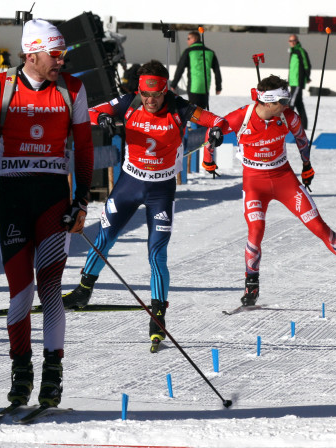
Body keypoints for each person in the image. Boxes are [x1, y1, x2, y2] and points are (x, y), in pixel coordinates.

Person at [62, 60, 229, 352]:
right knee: (104, 237)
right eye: (146, 95)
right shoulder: (129, 101)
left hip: (160, 190)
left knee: (156, 253)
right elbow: (89, 112)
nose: (151, 101)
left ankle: (158, 314)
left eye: (157, 95)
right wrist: (101, 117)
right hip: (129, 184)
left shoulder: (180, 107)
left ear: (166, 89)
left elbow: (218, 121)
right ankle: (83, 290)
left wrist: (217, 132)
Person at [0, 19, 94, 409]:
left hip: (54, 198)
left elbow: (86, 147)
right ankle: (21, 373)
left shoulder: (72, 88)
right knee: (20, 292)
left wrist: (82, 200)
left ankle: (53, 375)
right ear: (32, 53)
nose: (61, 61)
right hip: (13, 197)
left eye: (63, 54)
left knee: (51, 287)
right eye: (55, 55)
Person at [203, 75, 336, 307]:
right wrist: (209, 160)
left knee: (318, 225)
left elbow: (301, 139)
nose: (287, 106)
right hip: (254, 184)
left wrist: (307, 166)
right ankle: (252, 286)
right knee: (256, 230)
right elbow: (212, 133)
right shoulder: (242, 117)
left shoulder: (288, 117)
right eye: (282, 101)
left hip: (284, 180)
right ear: (267, 102)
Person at [169, 31, 221, 110]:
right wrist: (218, 87)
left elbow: (180, 69)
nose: (187, 41)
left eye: (188, 38)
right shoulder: (210, 52)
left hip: (193, 86)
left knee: (193, 111)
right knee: (203, 111)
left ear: (194, 39)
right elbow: (217, 71)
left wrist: (174, 84)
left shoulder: (188, 51)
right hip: (205, 87)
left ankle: (195, 123)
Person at [287, 34, 311, 129]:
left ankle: (287, 125)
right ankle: (304, 125)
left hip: (298, 82)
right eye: (290, 41)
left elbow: (306, 65)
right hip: (292, 82)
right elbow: (292, 68)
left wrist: (307, 77)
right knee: (299, 104)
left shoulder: (301, 51)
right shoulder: (292, 52)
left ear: (297, 41)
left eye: (294, 40)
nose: (292, 42)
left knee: (291, 103)